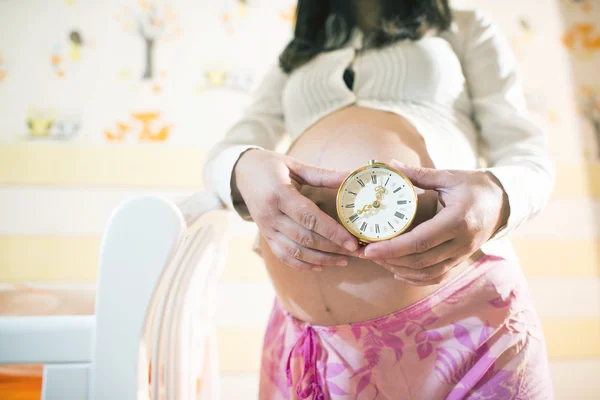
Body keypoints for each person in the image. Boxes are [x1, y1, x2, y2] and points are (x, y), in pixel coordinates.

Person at [204, 0, 555, 398]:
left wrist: (497, 197)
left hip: (464, 314)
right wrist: (242, 166)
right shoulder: (300, 51)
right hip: (312, 345)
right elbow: (225, 152)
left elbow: (527, 153)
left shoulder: (463, 27)